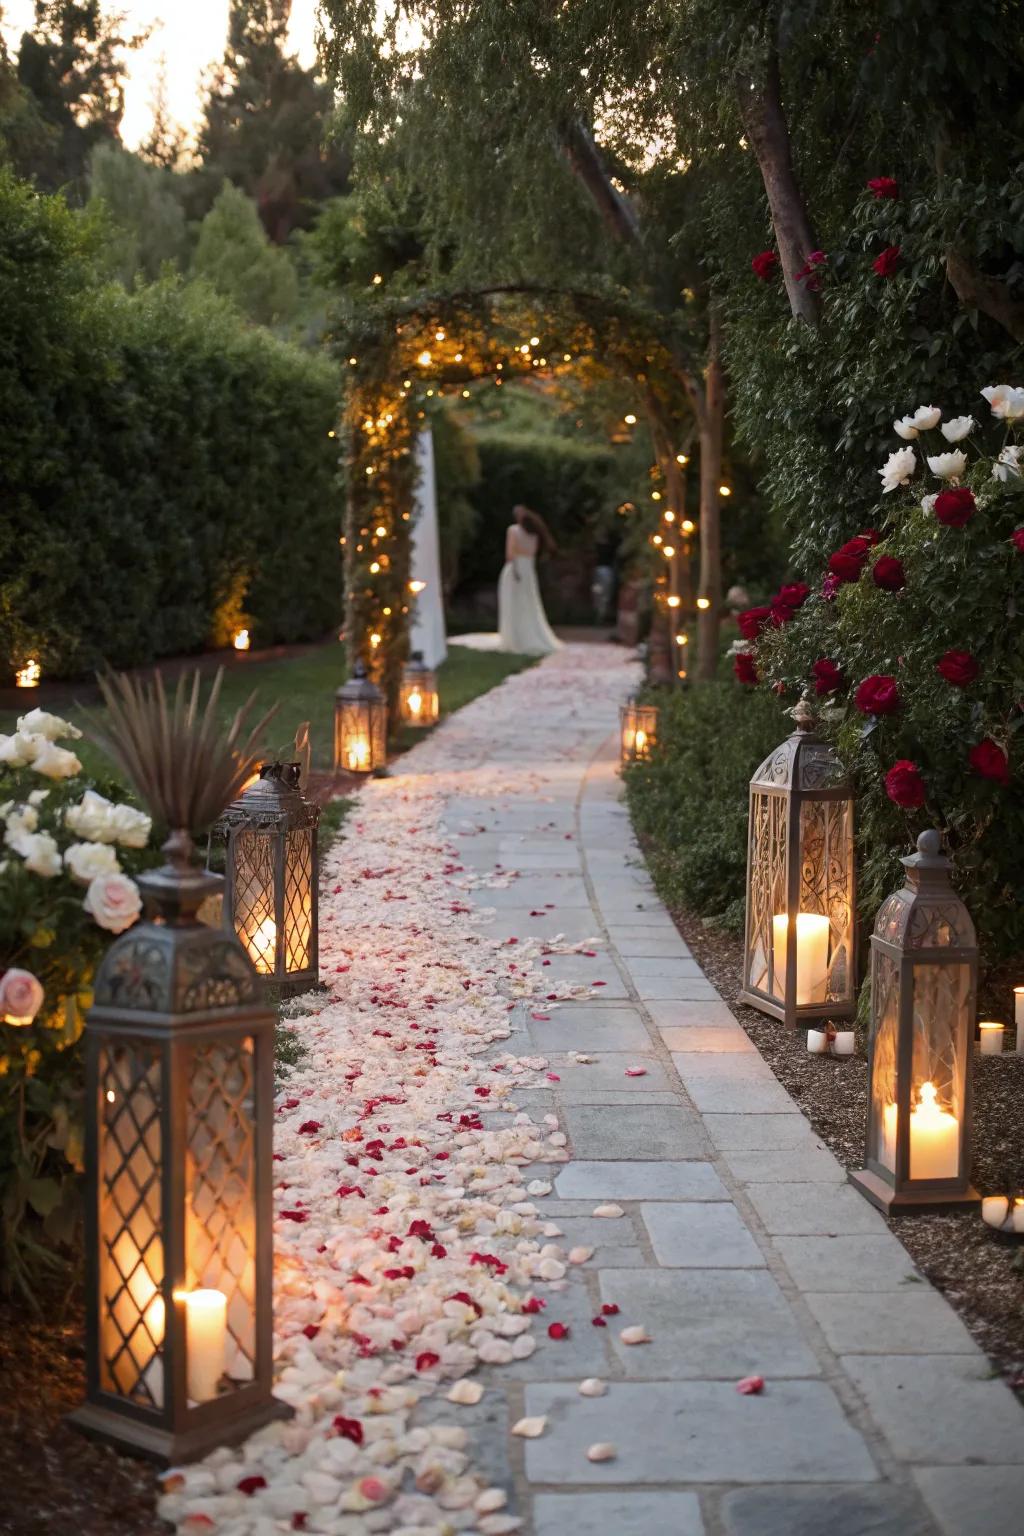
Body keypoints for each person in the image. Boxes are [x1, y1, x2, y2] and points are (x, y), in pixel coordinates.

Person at [497, 504, 563, 655]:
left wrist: (514, 569)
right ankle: (528, 635)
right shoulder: (534, 535)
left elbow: (510, 555)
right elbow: (532, 553)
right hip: (528, 570)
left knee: (513, 604)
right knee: (528, 604)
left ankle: (513, 637)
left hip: (515, 568)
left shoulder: (513, 530)